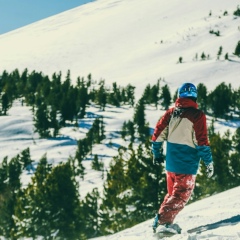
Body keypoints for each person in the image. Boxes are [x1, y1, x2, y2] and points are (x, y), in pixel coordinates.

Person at [151, 82, 214, 233]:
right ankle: (163, 223)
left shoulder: (171, 113)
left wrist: (157, 154)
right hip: (186, 164)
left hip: (171, 165)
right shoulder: (197, 116)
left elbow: (158, 135)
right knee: (181, 194)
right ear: (194, 97)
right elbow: (202, 142)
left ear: (179, 95)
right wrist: (208, 161)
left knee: (172, 195)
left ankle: (163, 224)